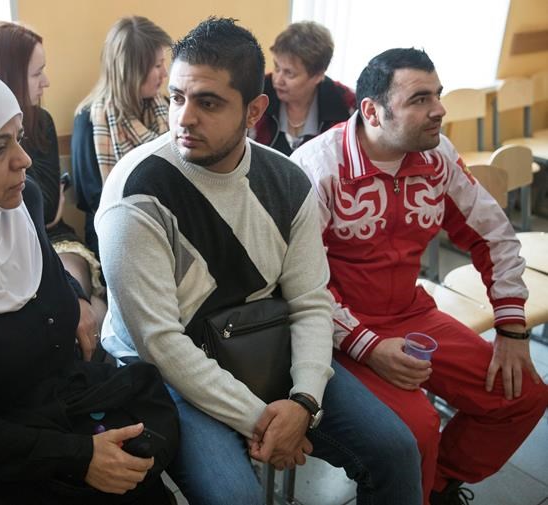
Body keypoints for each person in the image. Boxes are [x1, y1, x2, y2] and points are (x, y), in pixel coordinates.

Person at [96, 17, 424, 505]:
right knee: (237, 498)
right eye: (177, 98)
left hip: (261, 342)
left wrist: (304, 400)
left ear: (254, 110)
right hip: (168, 372)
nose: (184, 118)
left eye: (208, 102)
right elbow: (160, 343)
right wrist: (266, 422)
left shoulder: (287, 180)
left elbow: (310, 301)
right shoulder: (136, 192)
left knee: (397, 450)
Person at [0, 64, 178, 504]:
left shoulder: (21, 203)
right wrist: (78, 457)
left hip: (58, 406)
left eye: (19, 138)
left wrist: (75, 296)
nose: (23, 160)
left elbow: (39, 274)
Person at [290, 47, 548, 505]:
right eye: (420, 99)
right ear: (372, 111)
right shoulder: (316, 168)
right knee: (417, 429)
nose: (439, 110)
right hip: (335, 332)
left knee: (522, 394)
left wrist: (511, 328)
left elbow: (494, 236)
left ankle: (434, 488)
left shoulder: (437, 155)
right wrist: (369, 347)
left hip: (411, 314)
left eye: (438, 95)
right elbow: (300, 283)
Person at [0, 21, 107, 328]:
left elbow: (43, 211)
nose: (46, 82)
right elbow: (42, 209)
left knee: (77, 298)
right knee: (77, 310)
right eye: (36, 73)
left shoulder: (40, 121)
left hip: (52, 240)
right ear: (10, 77)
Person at [72, 16, 171, 257]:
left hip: (167, 223)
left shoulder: (167, 107)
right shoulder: (89, 119)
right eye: (157, 66)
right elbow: (90, 198)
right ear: (131, 70)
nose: (165, 73)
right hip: (113, 232)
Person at [251, 21, 355, 155]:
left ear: (318, 75)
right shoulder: (256, 93)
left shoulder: (347, 106)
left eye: (289, 73)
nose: (277, 79)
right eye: (277, 67)